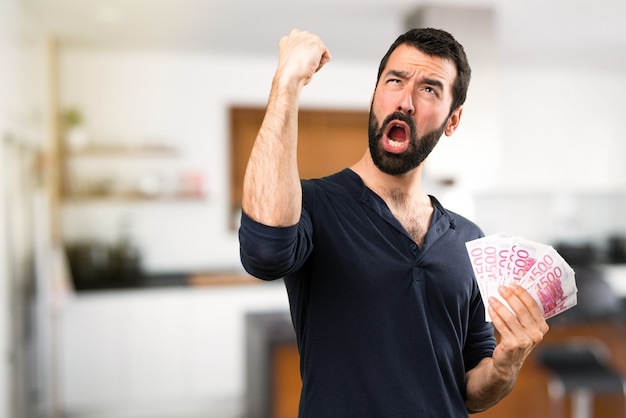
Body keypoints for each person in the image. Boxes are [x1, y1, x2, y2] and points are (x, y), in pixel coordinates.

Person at [238, 27, 549, 417]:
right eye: (395, 81)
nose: (406, 101)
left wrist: (506, 365)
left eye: (429, 89)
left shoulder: (470, 241)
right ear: (375, 96)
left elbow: (470, 389)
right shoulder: (314, 205)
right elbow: (264, 251)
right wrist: (286, 83)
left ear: (452, 121)